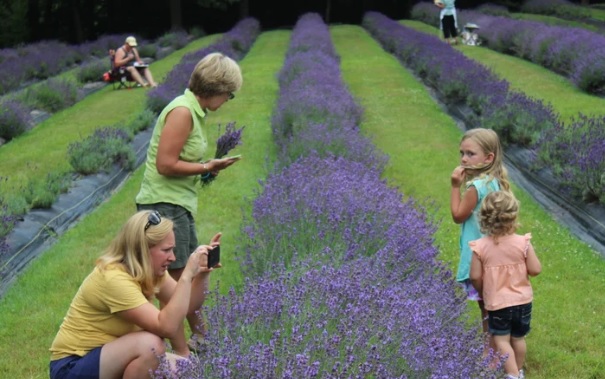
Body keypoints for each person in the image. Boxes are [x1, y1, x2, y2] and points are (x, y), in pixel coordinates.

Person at [135, 52, 242, 344]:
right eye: (229, 95)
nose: (227, 100)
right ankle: (187, 350)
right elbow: (165, 164)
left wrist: (207, 172)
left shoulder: (193, 111)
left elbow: (181, 164)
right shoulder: (182, 112)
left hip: (175, 204)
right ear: (216, 88)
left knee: (182, 279)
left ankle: (199, 342)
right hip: (164, 206)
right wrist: (207, 165)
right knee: (177, 283)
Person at [49, 210, 221, 378]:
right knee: (151, 346)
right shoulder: (113, 279)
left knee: (191, 371)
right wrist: (186, 276)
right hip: (72, 366)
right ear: (142, 250)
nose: (173, 257)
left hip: (110, 357)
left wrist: (203, 271)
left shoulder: (151, 271)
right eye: (166, 250)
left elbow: (189, 306)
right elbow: (165, 327)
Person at [470, 191, 542, 379]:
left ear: (484, 217)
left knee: (501, 339)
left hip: (498, 303)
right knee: (518, 338)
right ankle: (517, 371)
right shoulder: (523, 243)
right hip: (523, 302)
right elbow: (535, 269)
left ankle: (511, 374)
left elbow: (475, 276)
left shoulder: (480, 246)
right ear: (513, 216)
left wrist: (483, 291)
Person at [450, 128, 510, 349]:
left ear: (488, 157)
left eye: (470, 153)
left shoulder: (476, 187)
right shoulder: (495, 182)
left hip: (479, 258)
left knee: (487, 308)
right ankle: (497, 348)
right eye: (462, 153)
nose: (464, 159)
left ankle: (492, 353)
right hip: (494, 255)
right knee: (491, 306)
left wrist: (456, 186)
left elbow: (458, 216)